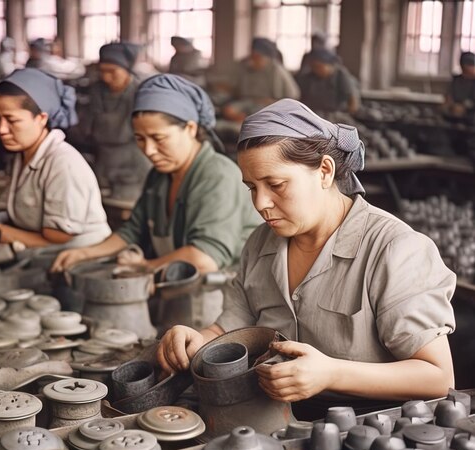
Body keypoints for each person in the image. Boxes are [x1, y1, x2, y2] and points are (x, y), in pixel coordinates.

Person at [157, 99, 456, 418]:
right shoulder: (261, 244)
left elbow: (438, 377)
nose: (261, 203)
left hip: (367, 431)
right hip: (272, 417)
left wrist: (331, 373)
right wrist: (196, 340)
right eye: (251, 187)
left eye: (276, 185)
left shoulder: (393, 249)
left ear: (325, 171)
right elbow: (231, 328)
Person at [52, 74, 262, 325]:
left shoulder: (216, 175)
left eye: (159, 139)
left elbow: (204, 257)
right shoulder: (160, 175)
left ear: (191, 128)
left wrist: (145, 266)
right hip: (178, 294)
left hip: (220, 304)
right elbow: (133, 230)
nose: (149, 151)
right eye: (140, 139)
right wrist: (85, 253)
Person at [0, 68, 110, 250]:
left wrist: (0, 233)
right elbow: (28, 214)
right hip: (47, 256)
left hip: (85, 261)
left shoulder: (63, 164)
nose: (1, 129)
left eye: (12, 120)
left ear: (41, 118)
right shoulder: (22, 155)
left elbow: (58, 235)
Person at [84, 42, 151, 200]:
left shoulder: (141, 92)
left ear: (127, 69)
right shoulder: (96, 91)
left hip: (133, 162)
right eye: (102, 71)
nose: (106, 77)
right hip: (103, 160)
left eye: (113, 71)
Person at [223, 37, 299, 122]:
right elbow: (237, 91)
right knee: (229, 110)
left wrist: (273, 101)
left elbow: (293, 95)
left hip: (268, 105)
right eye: (252, 56)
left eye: (257, 57)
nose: (252, 60)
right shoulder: (245, 67)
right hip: (247, 102)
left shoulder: (276, 70)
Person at [297, 49, 360, 114]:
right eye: (313, 67)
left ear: (328, 65)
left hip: (336, 114)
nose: (315, 69)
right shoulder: (308, 78)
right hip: (312, 113)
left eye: (318, 66)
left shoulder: (340, 75)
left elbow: (353, 101)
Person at [444, 51, 475, 119]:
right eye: (470, 66)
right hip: (455, 116)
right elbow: (448, 96)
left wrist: (465, 107)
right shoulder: (456, 81)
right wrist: (450, 105)